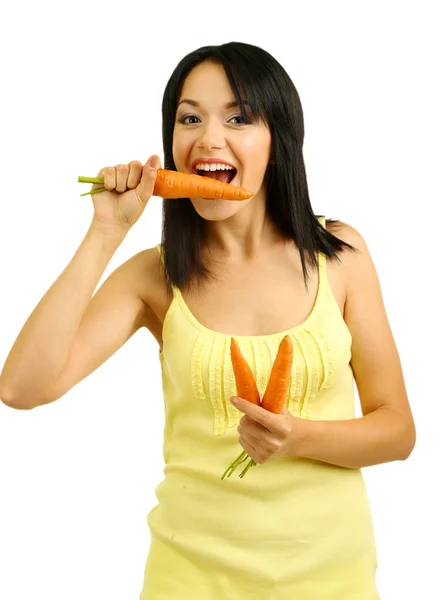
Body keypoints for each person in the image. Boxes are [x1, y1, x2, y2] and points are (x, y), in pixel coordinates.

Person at [0, 41, 416, 599]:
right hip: (188, 578)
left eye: (238, 117)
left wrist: (297, 439)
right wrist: (105, 232)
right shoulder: (156, 274)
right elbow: (23, 388)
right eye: (189, 118)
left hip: (331, 577)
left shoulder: (340, 254)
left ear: (279, 141)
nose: (207, 138)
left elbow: (397, 431)